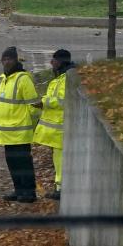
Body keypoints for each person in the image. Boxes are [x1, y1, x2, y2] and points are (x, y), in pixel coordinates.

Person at [0, 46, 39, 203]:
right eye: (4, 59)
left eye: (9, 59)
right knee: (13, 163)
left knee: (23, 163)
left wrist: (32, 126)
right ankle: (19, 190)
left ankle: (29, 192)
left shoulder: (23, 79)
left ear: (16, 60)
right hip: (8, 133)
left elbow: (34, 106)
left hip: (20, 132)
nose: (6, 62)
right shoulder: (5, 80)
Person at [33, 49, 73, 200]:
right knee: (58, 160)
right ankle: (58, 187)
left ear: (61, 61)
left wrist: (43, 102)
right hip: (58, 129)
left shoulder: (66, 79)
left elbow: (61, 100)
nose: (51, 62)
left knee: (60, 160)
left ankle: (61, 189)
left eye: (54, 60)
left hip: (60, 128)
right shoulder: (61, 77)